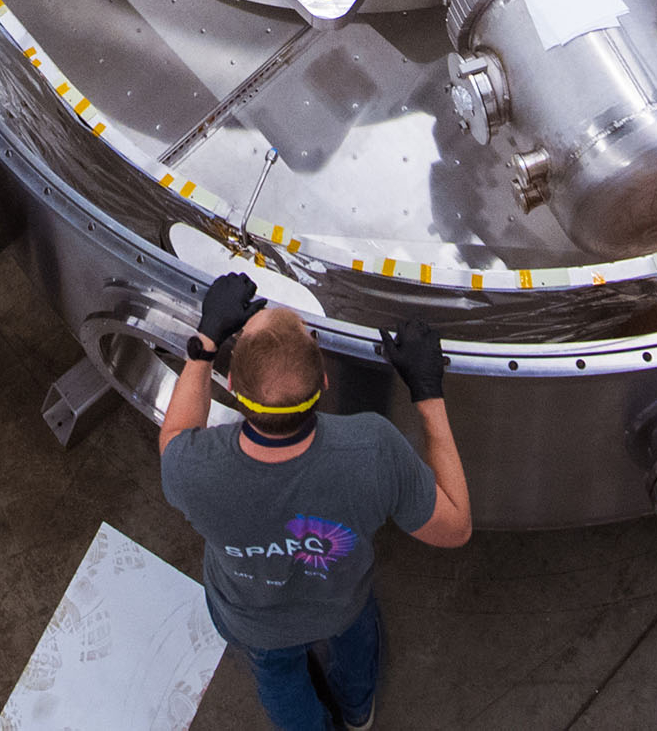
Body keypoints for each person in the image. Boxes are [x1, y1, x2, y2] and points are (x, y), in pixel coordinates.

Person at [160, 276, 469, 731]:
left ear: (232, 383)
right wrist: (428, 392)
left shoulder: (193, 468)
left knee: (277, 677)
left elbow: (174, 433)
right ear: (324, 381)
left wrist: (206, 341)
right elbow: (456, 527)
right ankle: (357, 714)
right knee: (357, 644)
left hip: (250, 620)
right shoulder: (371, 448)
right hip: (340, 603)